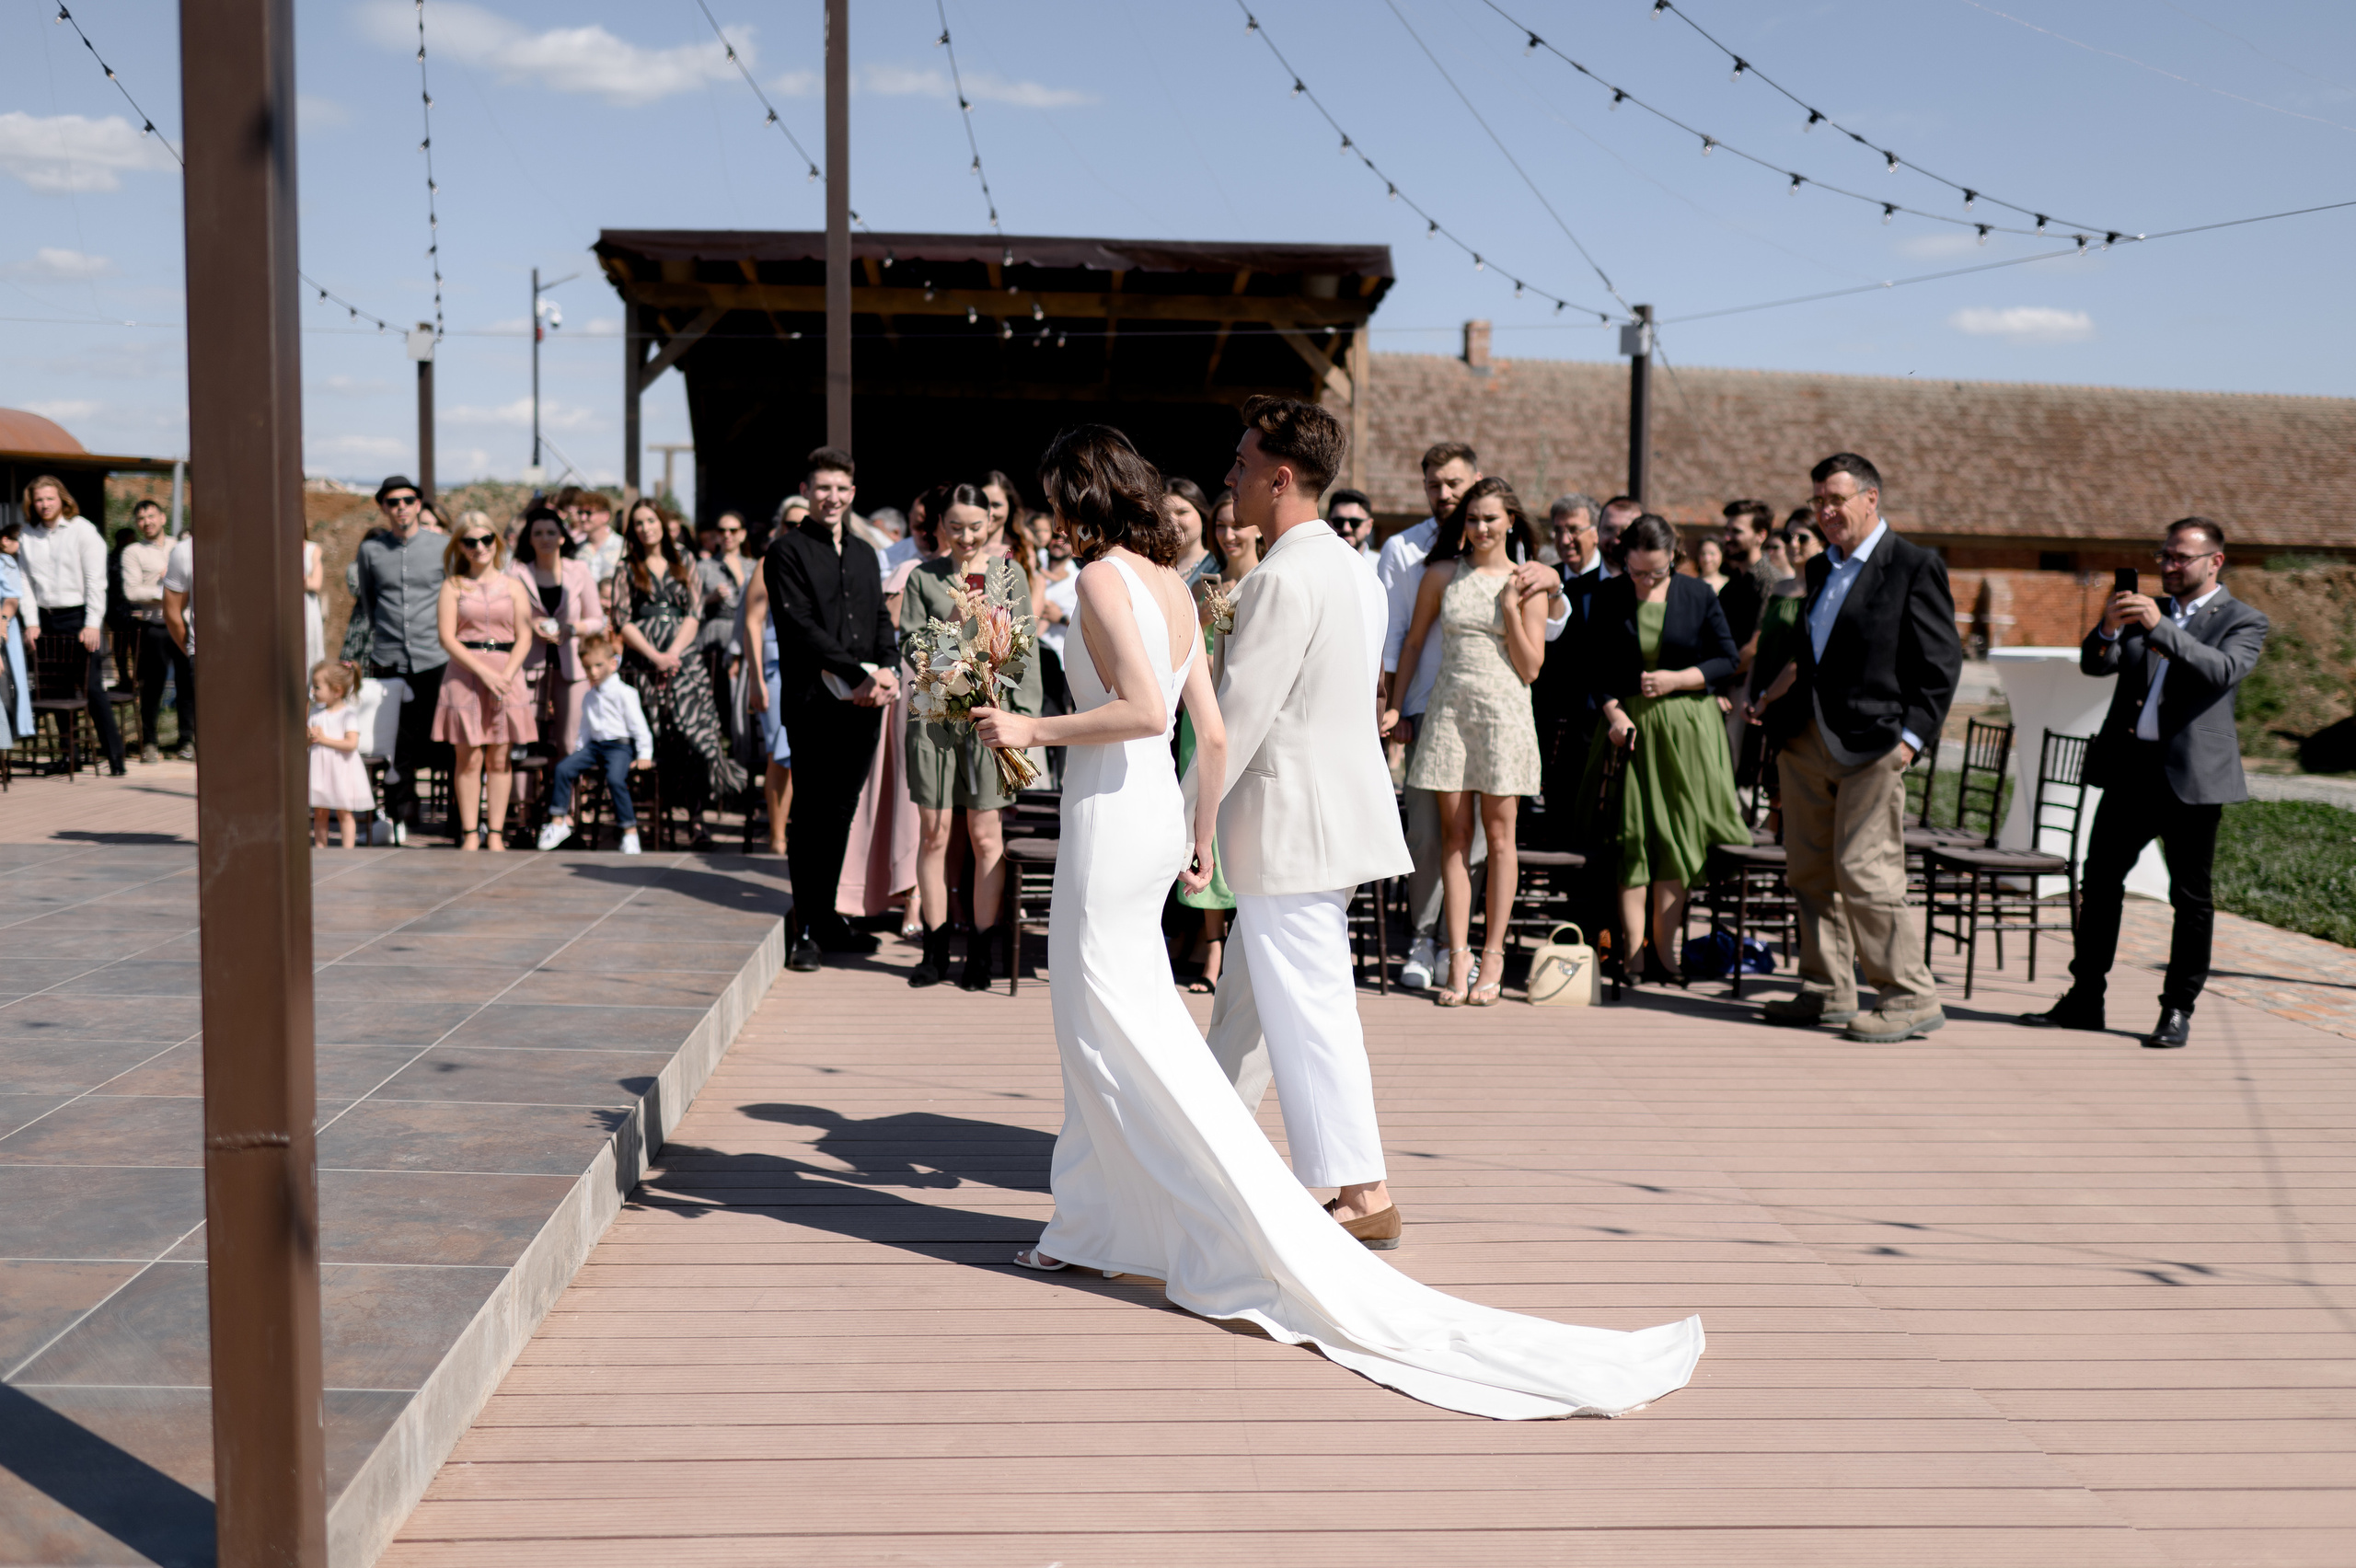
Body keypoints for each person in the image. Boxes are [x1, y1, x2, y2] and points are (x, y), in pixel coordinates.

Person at [975, 413, 1704, 1419]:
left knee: (1188, 1020)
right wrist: (1191, 825)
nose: (1227, 479)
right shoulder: (1314, 572)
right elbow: (1223, 716)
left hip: (1248, 818)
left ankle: (1326, 1192)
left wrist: (1064, 744)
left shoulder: (1259, 576)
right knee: (1202, 1023)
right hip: (1218, 814)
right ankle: (1115, 1217)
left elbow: (1235, 707)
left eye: (1237, 465)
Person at [2021, 518, 2268, 1050]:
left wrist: (2160, 628)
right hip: (2130, 772)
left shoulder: (2243, 620)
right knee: (2101, 884)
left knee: (2190, 898)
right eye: (2165, 556)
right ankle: (2086, 997)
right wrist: (2110, 627)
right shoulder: (2140, 610)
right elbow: (2095, 664)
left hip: (2192, 781)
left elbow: (2221, 671)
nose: (2170, 566)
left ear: (2215, 562)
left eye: (2182, 558)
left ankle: (2177, 1008)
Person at [1757, 454, 1962, 1043]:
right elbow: (1813, 655)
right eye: (1819, 500)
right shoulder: (1821, 567)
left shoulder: (1914, 565)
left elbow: (1940, 664)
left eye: (1836, 500)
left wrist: (1912, 741)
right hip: (1806, 738)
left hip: (1876, 744)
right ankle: (1826, 990)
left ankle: (1909, 998)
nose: (1825, 511)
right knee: (1810, 870)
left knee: (1866, 871)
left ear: (1871, 499)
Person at [1376, 444, 1567, 990]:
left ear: (1511, 522)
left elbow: (1532, 667)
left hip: (1505, 713)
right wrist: (1393, 705)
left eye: (1491, 518)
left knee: (1500, 840)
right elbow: (1411, 644)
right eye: (1474, 518)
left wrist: (1511, 606)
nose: (1481, 527)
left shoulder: (1530, 579)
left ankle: (1494, 956)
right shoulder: (1441, 572)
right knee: (1452, 839)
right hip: (1448, 711)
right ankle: (1456, 957)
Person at [1577, 514, 1750, 983]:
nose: (1645, 581)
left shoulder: (1698, 594)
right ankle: (1632, 955)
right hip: (1628, 730)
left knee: (1675, 842)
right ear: (1624, 559)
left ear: (1674, 556)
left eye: (1656, 572)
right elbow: (1594, 667)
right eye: (1636, 571)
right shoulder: (1610, 595)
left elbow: (1726, 658)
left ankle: (1667, 956)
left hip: (1686, 733)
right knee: (1633, 840)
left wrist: (1678, 679)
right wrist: (1613, 713)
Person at [767, 446, 899, 970]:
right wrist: (858, 673)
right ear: (806, 490)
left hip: (865, 703)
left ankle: (826, 918)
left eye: (842, 489)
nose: (833, 497)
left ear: (853, 493)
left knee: (841, 812)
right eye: (823, 487)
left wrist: (887, 669)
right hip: (813, 702)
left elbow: (881, 622)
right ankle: (804, 928)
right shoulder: (787, 552)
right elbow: (800, 628)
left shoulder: (867, 553)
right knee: (811, 815)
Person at [900, 484, 1035, 989]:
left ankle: (980, 951)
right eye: (954, 526)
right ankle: (934, 952)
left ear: (990, 523)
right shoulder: (922, 577)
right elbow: (913, 652)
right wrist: (953, 626)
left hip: (989, 717)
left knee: (985, 837)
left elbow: (1024, 649)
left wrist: (1023, 718)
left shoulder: (1008, 574)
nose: (965, 536)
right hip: (935, 721)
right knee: (934, 834)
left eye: (975, 526)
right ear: (938, 527)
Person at [608, 498, 745, 847]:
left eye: (650, 521)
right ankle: (653, 821)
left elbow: (695, 612)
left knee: (695, 736)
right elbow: (622, 620)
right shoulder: (626, 566)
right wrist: (654, 655)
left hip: (683, 660)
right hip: (643, 663)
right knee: (655, 740)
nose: (645, 528)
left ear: (662, 523)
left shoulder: (684, 559)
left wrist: (672, 653)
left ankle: (697, 821)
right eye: (638, 523)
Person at [1172, 488, 1263, 994]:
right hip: (1199, 720)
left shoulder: (1265, 582)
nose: (1229, 534)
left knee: (1239, 831)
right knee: (1199, 826)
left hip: (1245, 718)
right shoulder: (1205, 585)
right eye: (1221, 526)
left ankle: (1235, 947)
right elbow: (1187, 653)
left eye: (1237, 525)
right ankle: (1210, 948)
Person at [432, 517, 537, 850]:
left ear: (496, 541)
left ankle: (495, 834)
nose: (479, 547)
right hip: (465, 675)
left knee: (500, 758)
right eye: (470, 541)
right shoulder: (453, 586)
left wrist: (505, 674)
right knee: (469, 758)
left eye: (486, 539)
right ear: (459, 546)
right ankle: (469, 834)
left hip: (507, 674)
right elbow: (448, 638)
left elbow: (526, 635)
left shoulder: (514, 585)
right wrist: (484, 672)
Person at [354, 476, 449, 840]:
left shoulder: (442, 547)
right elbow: (369, 601)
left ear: (419, 505)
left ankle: (456, 822)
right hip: (390, 658)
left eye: (408, 500)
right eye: (393, 502)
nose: (401, 508)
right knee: (396, 743)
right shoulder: (371, 551)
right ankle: (398, 818)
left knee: (445, 739)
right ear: (383, 507)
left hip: (435, 656)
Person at [17, 474, 125, 775]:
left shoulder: (83, 531)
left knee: (92, 689)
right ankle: (70, 756)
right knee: (55, 690)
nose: (44, 505)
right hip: (45, 620)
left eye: (50, 498)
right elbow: (24, 583)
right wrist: (31, 622)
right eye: (38, 500)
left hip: (78, 618)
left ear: (62, 499)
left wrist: (92, 623)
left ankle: (116, 758)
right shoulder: (27, 536)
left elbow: (96, 582)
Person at [1531, 493, 1609, 842]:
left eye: (1574, 530)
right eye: (1558, 531)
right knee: (1555, 811)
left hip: (1601, 715)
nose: (1564, 540)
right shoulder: (1546, 582)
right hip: (1554, 714)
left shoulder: (1615, 583)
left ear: (1596, 533)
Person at [537, 630, 654, 855]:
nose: (593, 672)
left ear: (613, 663)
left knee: (615, 779)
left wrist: (644, 754)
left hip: (619, 746)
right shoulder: (589, 696)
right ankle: (558, 822)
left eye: (598, 666)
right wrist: (579, 752)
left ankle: (629, 832)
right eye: (588, 667)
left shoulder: (625, 693)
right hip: (594, 747)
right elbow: (585, 729)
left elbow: (639, 726)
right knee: (563, 768)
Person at [507, 503, 606, 755]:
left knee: (569, 742)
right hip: (528, 666)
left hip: (571, 668)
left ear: (562, 537)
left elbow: (597, 619)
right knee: (524, 742)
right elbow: (505, 617)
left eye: (551, 532)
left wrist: (571, 628)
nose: (545, 538)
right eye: (537, 533)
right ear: (528, 539)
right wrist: (530, 625)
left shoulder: (579, 570)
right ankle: (522, 795)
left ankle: (567, 795)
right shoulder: (516, 572)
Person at [118, 500, 179, 765]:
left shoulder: (181, 547)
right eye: (142, 518)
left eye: (152, 516)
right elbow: (132, 591)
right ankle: (150, 742)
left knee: (189, 685)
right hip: (153, 626)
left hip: (185, 624)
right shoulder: (133, 552)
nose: (147, 522)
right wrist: (167, 590)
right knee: (151, 687)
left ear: (163, 518)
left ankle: (187, 740)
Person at [306, 658, 371, 848]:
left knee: (344, 811)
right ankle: (320, 847)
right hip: (320, 770)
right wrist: (309, 738)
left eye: (317, 687)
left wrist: (322, 739)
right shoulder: (315, 714)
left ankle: (348, 849)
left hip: (341, 770)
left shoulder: (347, 715)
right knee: (319, 811)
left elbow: (351, 743)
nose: (313, 691)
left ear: (336, 690)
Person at [0, 521, 32, 751]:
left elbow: (12, 600)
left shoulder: (7, 563)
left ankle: (5, 742)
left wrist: (2, 623)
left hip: (3, 628)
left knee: (6, 685)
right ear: (5, 540)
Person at [1164, 477, 1217, 591]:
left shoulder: (1218, 568)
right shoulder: (1154, 568)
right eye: (1164, 515)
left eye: (1182, 512)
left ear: (1202, 516)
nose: (1171, 522)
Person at [1326, 488, 1378, 559]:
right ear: (1328, 524)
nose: (1346, 529)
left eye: (1355, 522)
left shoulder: (1379, 566)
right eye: (1338, 522)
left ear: (1369, 526)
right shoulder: (1317, 564)